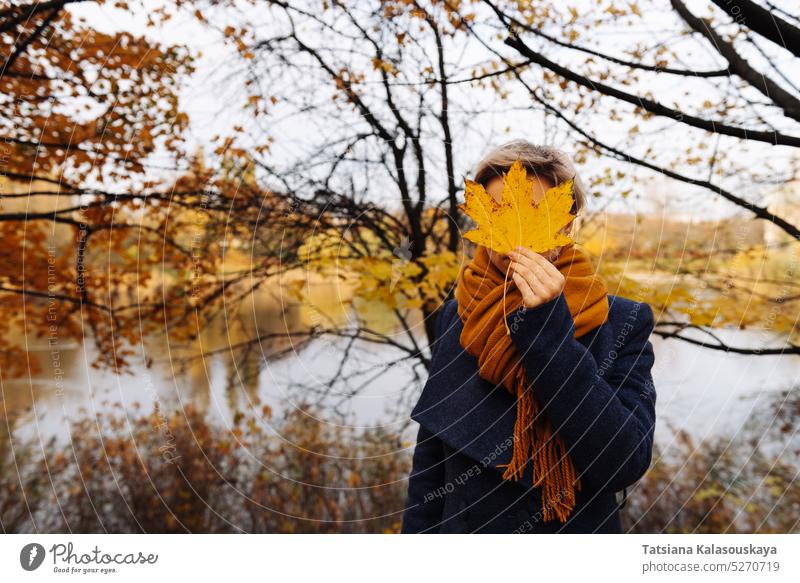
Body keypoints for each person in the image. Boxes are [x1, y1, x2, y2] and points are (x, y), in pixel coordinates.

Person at [400, 139, 657, 534]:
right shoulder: (461, 311)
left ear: (567, 224)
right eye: (499, 213)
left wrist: (549, 331)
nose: (516, 231)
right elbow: (430, 465)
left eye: (534, 213)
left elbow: (622, 462)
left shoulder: (621, 321)